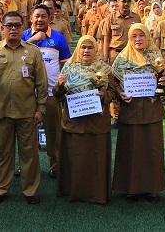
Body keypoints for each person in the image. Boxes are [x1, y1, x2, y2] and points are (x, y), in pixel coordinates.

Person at [0, 11, 47, 206]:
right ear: (2, 28)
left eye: (17, 25)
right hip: (1, 111)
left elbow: (41, 83)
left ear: (23, 28)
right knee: (2, 153)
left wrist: (41, 108)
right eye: (9, 25)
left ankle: (30, 190)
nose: (13, 29)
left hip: (27, 111)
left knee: (29, 154)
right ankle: (0, 189)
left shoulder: (33, 51)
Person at [53, 35, 115, 204]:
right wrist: (59, 85)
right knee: (76, 157)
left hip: (97, 122)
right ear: (77, 49)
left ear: (96, 50)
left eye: (90, 47)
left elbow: (114, 93)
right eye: (83, 47)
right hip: (74, 121)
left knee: (96, 158)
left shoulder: (105, 69)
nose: (86, 51)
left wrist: (104, 95)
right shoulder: (69, 67)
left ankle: (97, 194)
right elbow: (58, 95)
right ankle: (73, 192)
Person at [111, 24, 165, 201]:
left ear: (147, 37)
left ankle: (152, 189)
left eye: (141, 36)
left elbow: (164, 77)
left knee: (152, 149)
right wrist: (120, 94)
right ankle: (131, 189)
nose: (137, 39)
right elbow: (113, 83)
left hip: (151, 109)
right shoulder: (122, 58)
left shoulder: (156, 56)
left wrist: (162, 81)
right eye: (134, 36)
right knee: (131, 149)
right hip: (131, 109)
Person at [21, 4, 72, 178]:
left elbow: (66, 64)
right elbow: (16, 54)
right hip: (27, 95)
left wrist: (62, 88)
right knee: (27, 134)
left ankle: (55, 165)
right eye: (37, 16)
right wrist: (33, 40)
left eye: (44, 16)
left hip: (51, 94)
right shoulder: (24, 36)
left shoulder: (58, 38)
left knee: (54, 132)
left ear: (50, 18)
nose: (40, 19)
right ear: (31, 18)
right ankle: (27, 165)